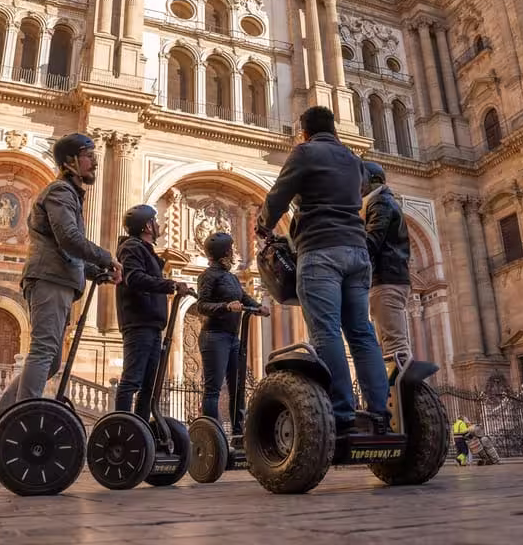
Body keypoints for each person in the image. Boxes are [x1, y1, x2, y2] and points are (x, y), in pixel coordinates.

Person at [0, 133, 122, 449]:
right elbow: (68, 238)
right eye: (88, 154)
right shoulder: (60, 192)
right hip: (49, 281)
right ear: (70, 161)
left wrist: (98, 272)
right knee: (42, 352)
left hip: (59, 280)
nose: (94, 160)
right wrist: (106, 256)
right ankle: (22, 424)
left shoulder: (70, 195)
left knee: (50, 361)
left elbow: (64, 250)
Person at [256, 105, 391, 436]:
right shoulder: (354, 160)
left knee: (326, 331)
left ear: (304, 131)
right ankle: (380, 412)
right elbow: (356, 192)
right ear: (335, 130)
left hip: (321, 251)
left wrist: (263, 225)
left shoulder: (304, 153)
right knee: (361, 332)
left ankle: (342, 411)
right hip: (357, 254)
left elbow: (278, 197)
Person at [114, 204, 188, 421]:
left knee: (149, 385)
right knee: (132, 381)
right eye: (155, 221)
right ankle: (121, 427)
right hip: (139, 323)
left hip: (152, 324)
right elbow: (134, 278)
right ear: (147, 225)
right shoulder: (131, 248)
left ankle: (140, 429)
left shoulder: (145, 250)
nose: (158, 225)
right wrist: (170, 285)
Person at [197, 232, 269, 435]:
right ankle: (213, 435)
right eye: (231, 249)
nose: (234, 252)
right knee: (213, 389)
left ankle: (238, 434)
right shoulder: (208, 276)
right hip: (214, 337)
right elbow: (202, 305)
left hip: (232, 338)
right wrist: (226, 306)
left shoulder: (231, 277)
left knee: (237, 386)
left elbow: (244, 297)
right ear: (224, 253)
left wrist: (258, 307)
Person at [360, 160, 412, 357]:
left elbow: (372, 240)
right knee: (390, 344)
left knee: (394, 346)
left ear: (372, 180)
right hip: (389, 279)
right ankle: (395, 388)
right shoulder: (381, 201)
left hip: (387, 280)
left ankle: (402, 388)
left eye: (361, 178)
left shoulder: (380, 201)